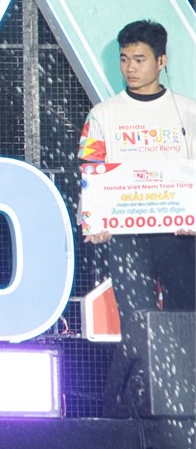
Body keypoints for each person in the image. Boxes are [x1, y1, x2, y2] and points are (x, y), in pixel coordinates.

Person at [79, 19, 196, 315]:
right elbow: (90, 170)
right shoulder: (102, 114)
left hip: (181, 235)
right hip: (126, 237)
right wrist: (95, 221)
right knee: (136, 321)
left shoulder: (189, 111)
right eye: (124, 58)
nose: (130, 68)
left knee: (187, 318)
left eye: (139, 59)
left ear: (161, 61)